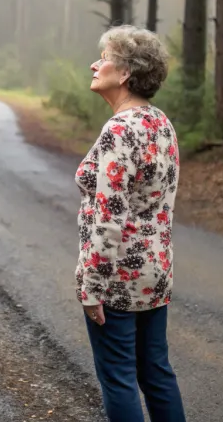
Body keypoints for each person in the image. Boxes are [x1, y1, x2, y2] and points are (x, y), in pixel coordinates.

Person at [75, 25, 186, 422]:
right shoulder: (161, 124)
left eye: (103, 57)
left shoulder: (119, 131)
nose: (95, 64)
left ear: (124, 73)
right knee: (155, 372)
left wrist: (92, 286)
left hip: (118, 278)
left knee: (119, 377)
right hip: (156, 273)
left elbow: (108, 216)